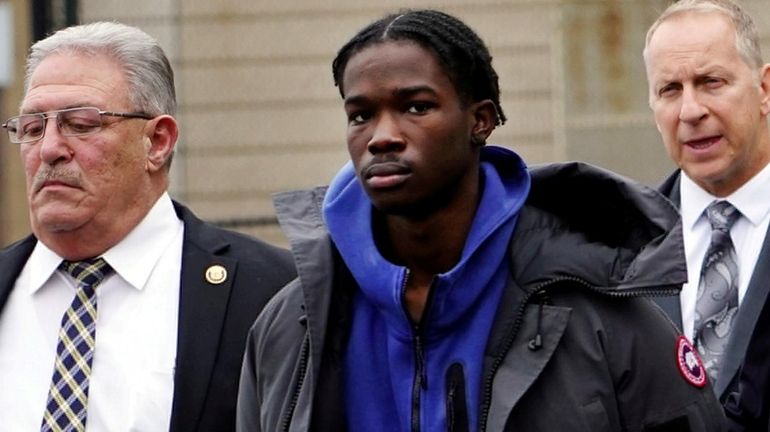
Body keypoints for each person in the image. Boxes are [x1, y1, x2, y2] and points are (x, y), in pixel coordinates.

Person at [237, 9, 725, 432]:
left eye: (416, 107)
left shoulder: (601, 312)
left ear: (481, 121)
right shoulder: (288, 326)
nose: (382, 136)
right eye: (361, 115)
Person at [0, 22, 295, 431]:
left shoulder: (276, 294)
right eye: (32, 128)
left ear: (157, 141)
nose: (49, 149)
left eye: (81, 124)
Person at [643, 0, 770, 425]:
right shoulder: (620, 252)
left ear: (765, 89)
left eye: (710, 82)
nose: (690, 111)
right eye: (670, 90)